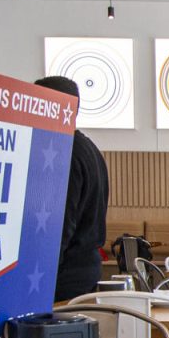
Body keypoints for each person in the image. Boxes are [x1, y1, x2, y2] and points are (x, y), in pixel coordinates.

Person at [38, 76, 109, 303]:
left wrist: (40, 277)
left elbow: (60, 224)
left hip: (63, 277)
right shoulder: (89, 147)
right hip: (85, 269)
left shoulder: (62, 152)